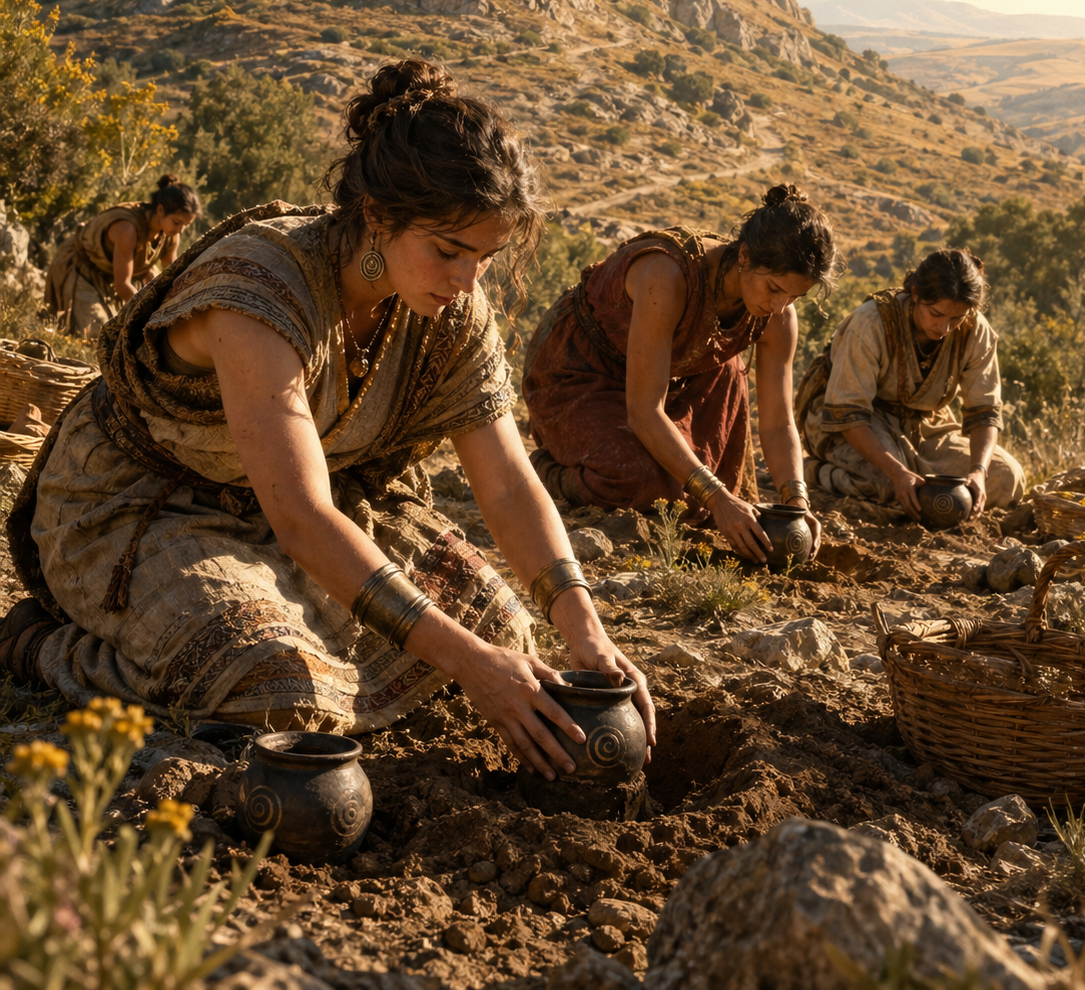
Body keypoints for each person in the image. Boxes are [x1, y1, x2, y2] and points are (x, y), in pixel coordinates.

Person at [4, 61, 654, 780]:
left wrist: (586, 631)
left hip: (289, 512)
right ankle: (40, 645)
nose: (468, 280)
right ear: (378, 216)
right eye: (448, 251)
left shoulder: (451, 311)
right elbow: (303, 517)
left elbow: (503, 482)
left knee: (504, 627)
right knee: (275, 685)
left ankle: (284, 612)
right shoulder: (261, 288)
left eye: (486, 257)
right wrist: (470, 667)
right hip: (141, 509)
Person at [523, 187, 839, 564]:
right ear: (744, 255)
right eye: (773, 288)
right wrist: (719, 498)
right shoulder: (667, 277)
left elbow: (776, 421)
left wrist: (797, 502)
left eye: (793, 297)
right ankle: (546, 470)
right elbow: (643, 409)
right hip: (584, 369)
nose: (778, 306)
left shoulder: (778, 315)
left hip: (679, 373)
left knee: (690, 495)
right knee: (641, 480)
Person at [796, 248, 1025, 517]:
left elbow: (985, 412)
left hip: (925, 425)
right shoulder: (870, 321)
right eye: (936, 314)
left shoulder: (976, 330)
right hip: (857, 423)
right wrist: (896, 471)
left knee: (1007, 478)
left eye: (956, 318)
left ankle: (911, 475)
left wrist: (978, 471)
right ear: (915, 294)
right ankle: (809, 472)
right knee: (886, 485)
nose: (944, 328)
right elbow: (848, 413)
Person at [44, 176, 201, 338]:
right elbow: (123, 285)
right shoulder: (127, 229)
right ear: (160, 210)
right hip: (83, 270)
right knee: (98, 336)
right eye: (177, 222)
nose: (181, 230)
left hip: (115, 274)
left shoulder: (171, 233)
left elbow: (172, 279)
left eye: (186, 225)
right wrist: (152, 314)